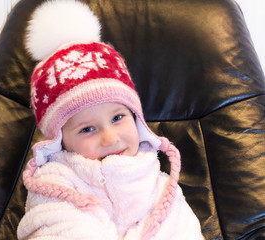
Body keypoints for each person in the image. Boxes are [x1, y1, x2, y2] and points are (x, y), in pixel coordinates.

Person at [17, 0, 204, 239]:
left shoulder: (158, 183)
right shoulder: (56, 182)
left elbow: (183, 231)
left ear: (136, 118)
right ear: (60, 140)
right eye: (87, 129)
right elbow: (56, 228)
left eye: (117, 117)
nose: (110, 137)